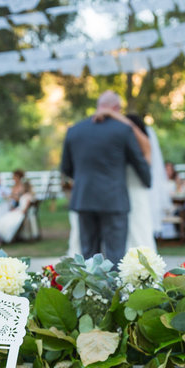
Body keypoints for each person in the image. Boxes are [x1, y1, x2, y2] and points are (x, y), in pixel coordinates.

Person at [60, 90, 150, 264]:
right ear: (116, 108)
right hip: (114, 200)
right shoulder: (123, 130)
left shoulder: (74, 130)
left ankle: (91, 291)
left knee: (88, 256)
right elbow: (138, 160)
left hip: (84, 199)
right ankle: (115, 291)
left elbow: (67, 168)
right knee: (116, 256)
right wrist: (147, 181)